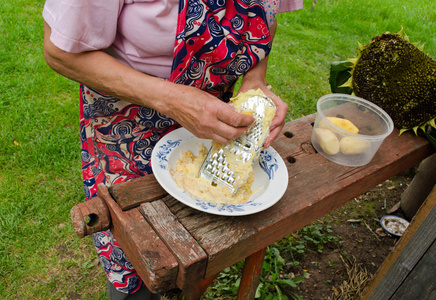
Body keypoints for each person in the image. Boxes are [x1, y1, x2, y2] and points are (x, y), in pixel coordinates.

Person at [43, 0, 302, 298]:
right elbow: (59, 51)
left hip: (211, 125)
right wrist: (172, 100)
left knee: (194, 247)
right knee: (141, 261)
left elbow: (262, 16)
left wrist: (255, 82)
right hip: (126, 124)